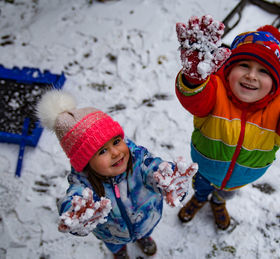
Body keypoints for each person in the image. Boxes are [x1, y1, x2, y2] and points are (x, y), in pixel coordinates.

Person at [174, 15, 280, 230]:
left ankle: (218, 203)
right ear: (228, 69)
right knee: (200, 187)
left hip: (241, 177)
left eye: (264, 71)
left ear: (276, 82)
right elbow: (194, 98)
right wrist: (194, 78)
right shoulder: (215, 90)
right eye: (244, 65)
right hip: (205, 168)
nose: (252, 76)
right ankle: (198, 200)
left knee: (226, 194)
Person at [36, 90, 197, 259]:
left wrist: (167, 179)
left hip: (145, 219)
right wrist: (76, 214)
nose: (115, 152)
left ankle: (144, 238)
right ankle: (119, 252)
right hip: (111, 233)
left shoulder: (138, 160)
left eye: (116, 142)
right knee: (114, 244)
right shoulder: (84, 185)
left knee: (144, 230)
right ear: (85, 161)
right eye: (102, 151)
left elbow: (153, 168)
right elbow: (74, 200)